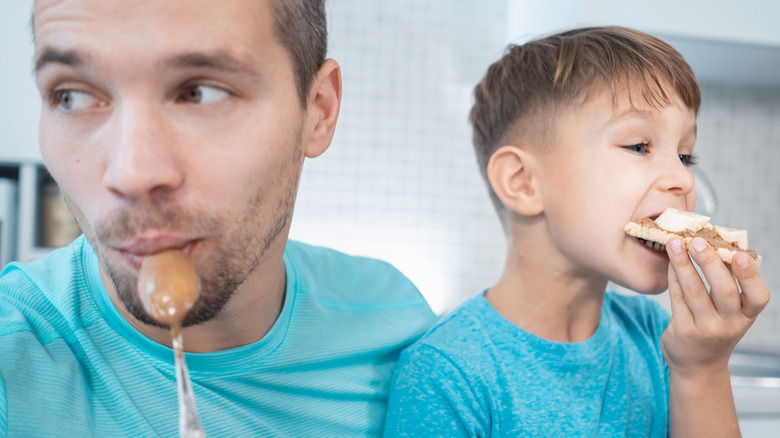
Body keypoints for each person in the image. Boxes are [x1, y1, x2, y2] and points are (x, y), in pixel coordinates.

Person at [0, 0, 436, 436]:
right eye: (71, 96)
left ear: (318, 109)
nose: (130, 175)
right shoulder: (14, 351)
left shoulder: (398, 331)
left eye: (199, 93)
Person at [384, 26, 770, 437]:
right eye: (639, 146)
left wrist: (703, 370)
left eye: (685, 155)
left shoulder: (660, 340)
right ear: (523, 182)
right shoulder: (448, 372)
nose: (683, 179)